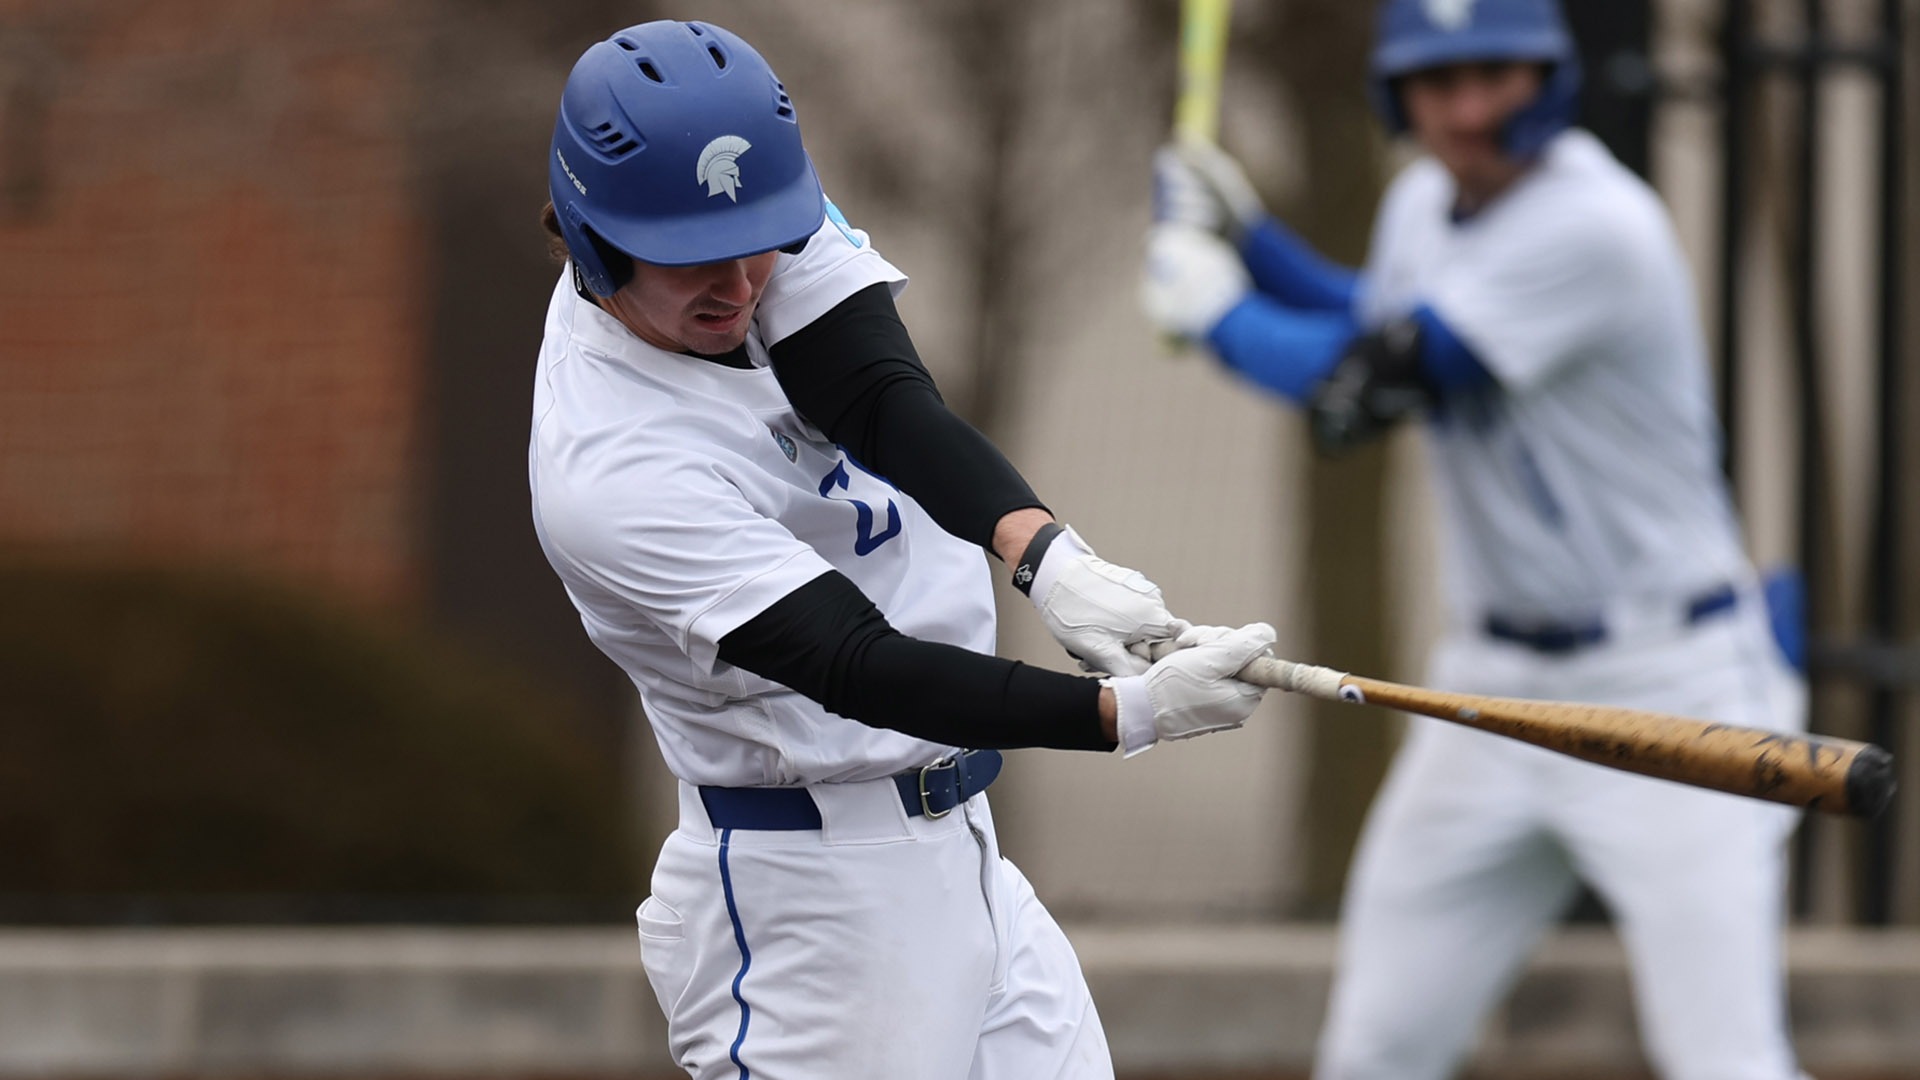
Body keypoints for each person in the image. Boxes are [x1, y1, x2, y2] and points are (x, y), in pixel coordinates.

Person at [530, 20, 1276, 1080]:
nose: (743, 286)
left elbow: (879, 399)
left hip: (960, 853)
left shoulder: (746, 214)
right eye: (696, 262)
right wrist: (1128, 714)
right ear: (593, 240)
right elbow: (857, 667)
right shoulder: (609, 471)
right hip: (808, 909)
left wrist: (1049, 560)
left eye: (762, 246)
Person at [1138, 1, 1810, 1078]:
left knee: (1726, 1061)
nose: (1466, 109)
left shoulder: (1594, 223)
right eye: (1437, 82)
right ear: (1396, 92)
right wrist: (1251, 240)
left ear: (1546, 74)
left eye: (1493, 74)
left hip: (1669, 678)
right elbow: (1384, 316)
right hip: (1488, 690)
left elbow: (1380, 383)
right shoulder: (1420, 203)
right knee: (1376, 1053)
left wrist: (1217, 313)